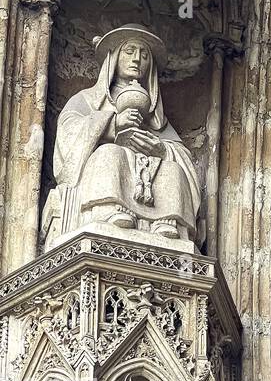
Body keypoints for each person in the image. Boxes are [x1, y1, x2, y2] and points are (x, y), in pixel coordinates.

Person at [42, 26, 202, 249]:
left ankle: (165, 221)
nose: (137, 59)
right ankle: (109, 210)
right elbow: (69, 134)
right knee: (110, 153)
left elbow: (182, 156)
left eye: (144, 55)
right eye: (129, 51)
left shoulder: (156, 119)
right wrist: (112, 124)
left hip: (149, 169)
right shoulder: (88, 100)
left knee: (172, 170)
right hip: (108, 164)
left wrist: (161, 149)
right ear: (114, 57)